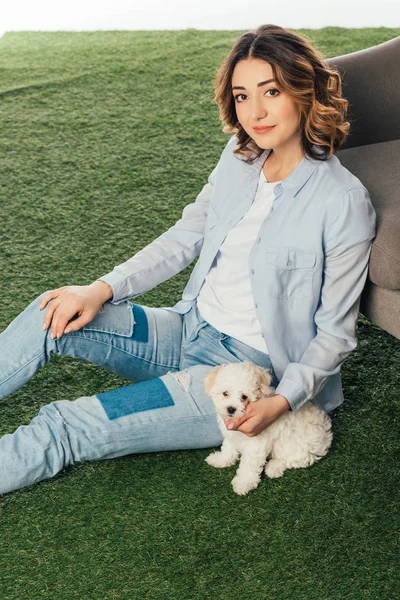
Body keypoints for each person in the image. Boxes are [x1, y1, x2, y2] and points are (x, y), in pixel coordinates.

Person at [0, 24, 376, 495]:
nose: (254, 112)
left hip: (247, 377)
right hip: (186, 329)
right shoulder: (240, 156)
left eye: (271, 91)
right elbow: (187, 234)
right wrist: (101, 289)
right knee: (51, 313)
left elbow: (334, 335)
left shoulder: (342, 202)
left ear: (306, 92)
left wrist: (280, 401)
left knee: (67, 424)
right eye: (241, 96)